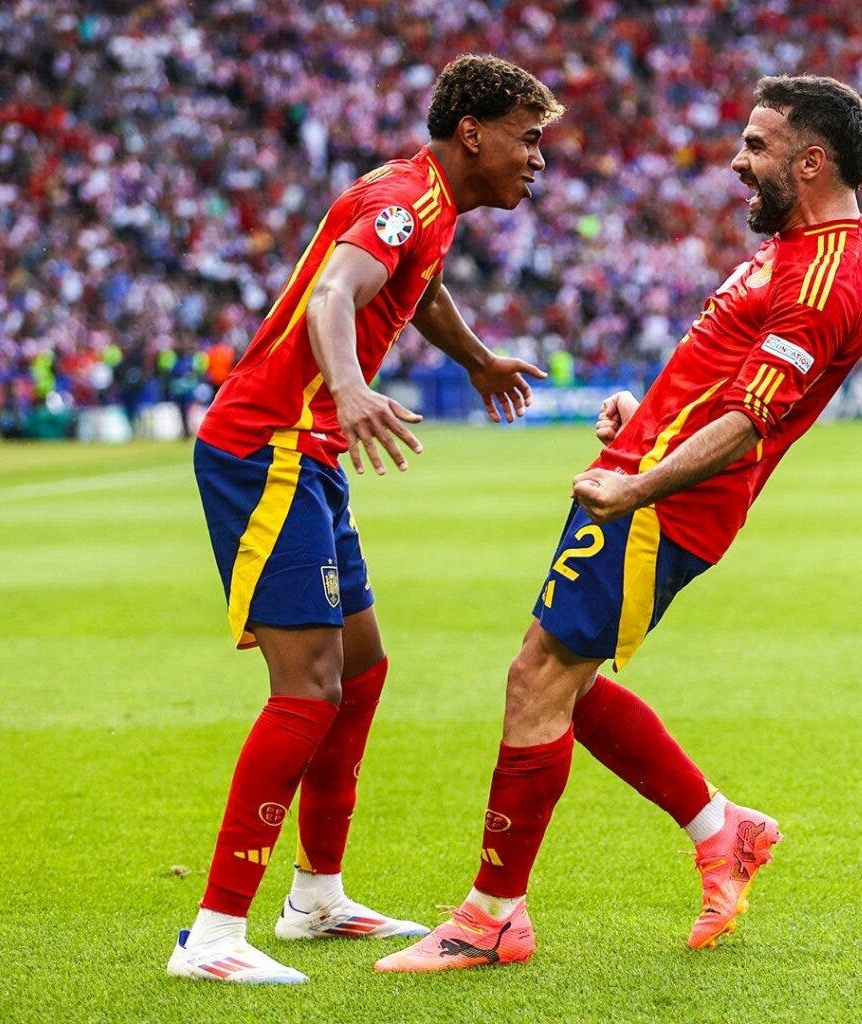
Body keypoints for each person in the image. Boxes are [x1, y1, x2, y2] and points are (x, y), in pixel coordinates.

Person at [376, 73, 862, 973]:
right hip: (644, 476)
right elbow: (718, 383)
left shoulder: (829, 274)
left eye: (757, 147)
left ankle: (494, 916)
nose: (737, 160)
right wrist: (640, 418)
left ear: (810, 162)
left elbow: (747, 423)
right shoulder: (797, 246)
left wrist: (641, 486)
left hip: (665, 508)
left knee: (537, 681)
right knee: (555, 678)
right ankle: (721, 829)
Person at [167, 54, 564, 984]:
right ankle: (215, 934)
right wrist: (348, 388)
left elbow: (414, 289)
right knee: (306, 686)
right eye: (528, 137)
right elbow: (335, 293)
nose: (537, 159)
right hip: (269, 448)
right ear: (474, 131)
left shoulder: (427, 208)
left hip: (311, 453)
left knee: (361, 664)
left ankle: (316, 898)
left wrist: (475, 358)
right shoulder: (398, 198)